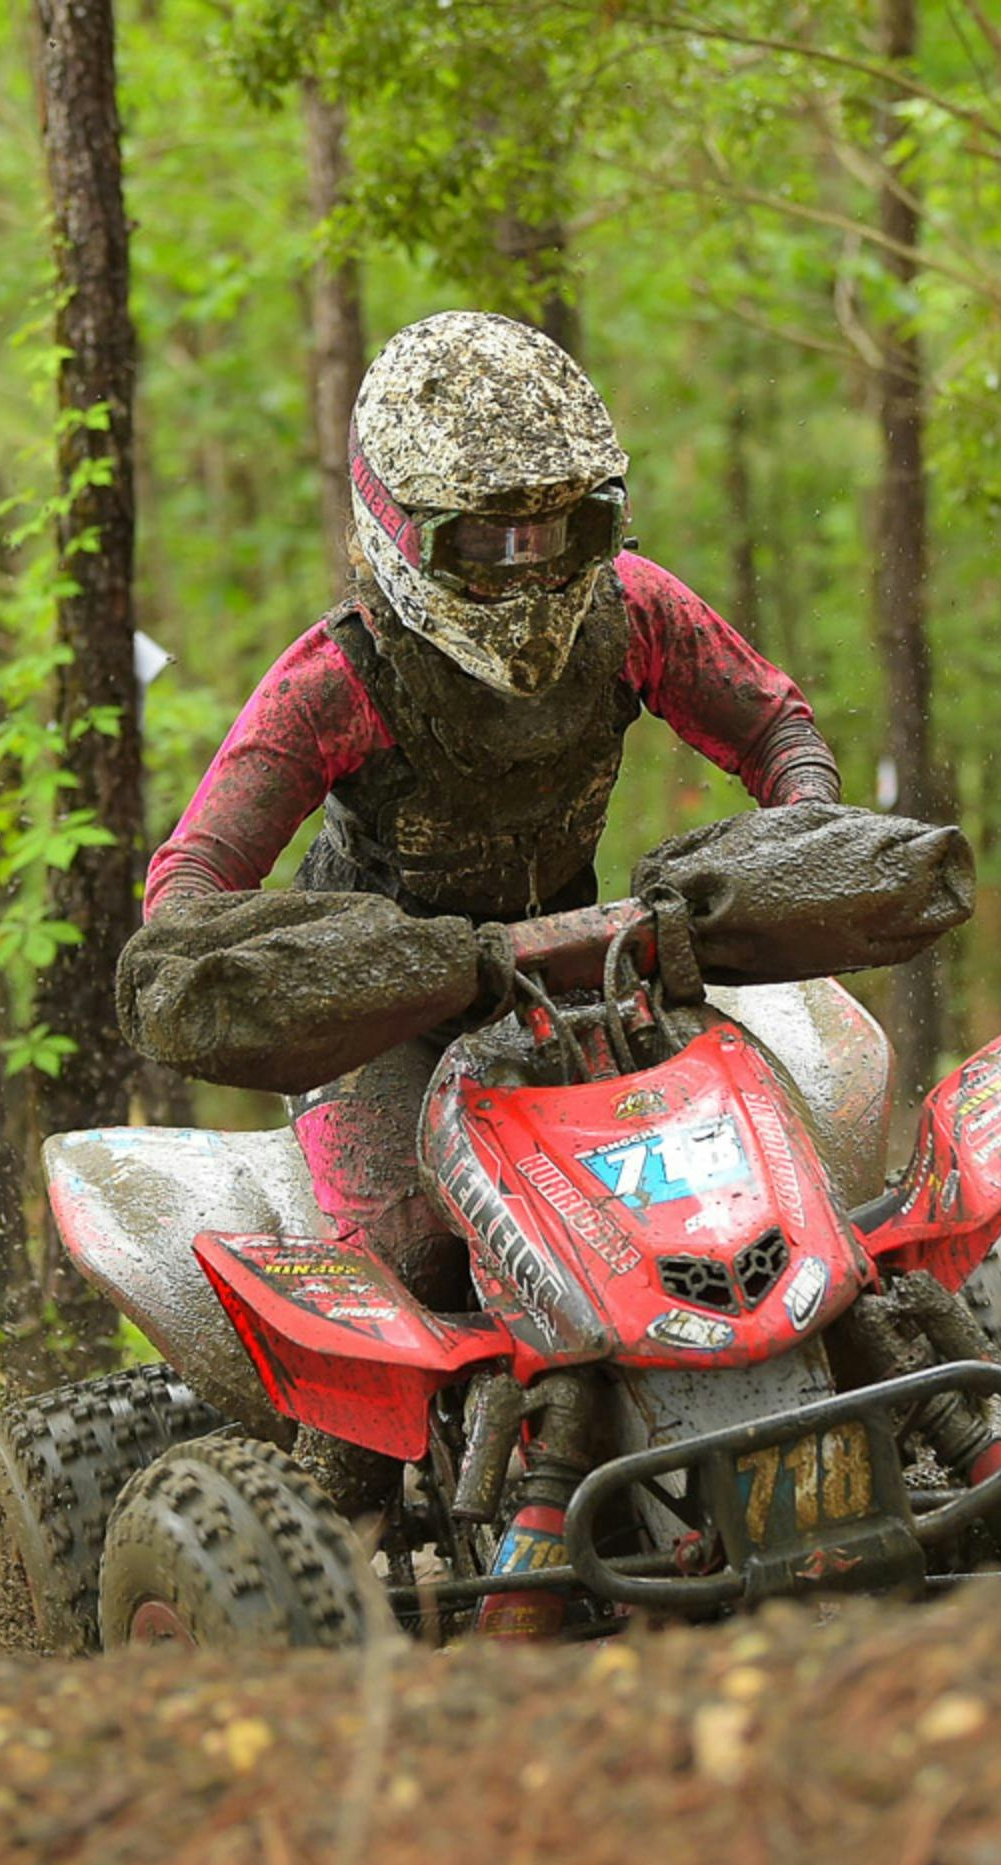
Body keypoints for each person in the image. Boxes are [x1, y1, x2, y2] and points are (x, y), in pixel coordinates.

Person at [143, 311, 844, 1293]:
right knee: (415, 1260)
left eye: (562, 527)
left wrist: (801, 839)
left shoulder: (634, 611)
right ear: (404, 525)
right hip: (380, 1019)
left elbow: (776, 730)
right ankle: (339, 1453)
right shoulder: (337, 681)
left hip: (584, 973)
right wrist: (281, 969)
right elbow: (193, 878)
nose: (531, 562)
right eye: (490, 536)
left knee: (768, 1183)